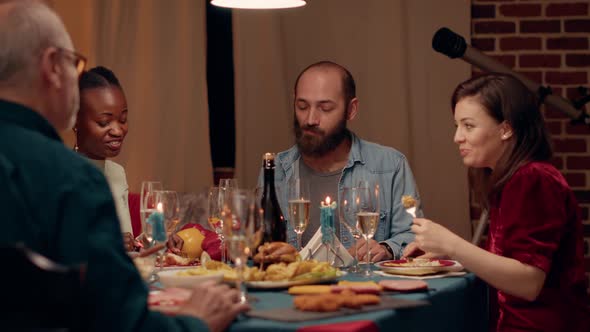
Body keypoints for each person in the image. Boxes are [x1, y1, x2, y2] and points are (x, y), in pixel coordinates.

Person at [0, 1, 248, 331]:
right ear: (52, 67)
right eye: (74, 65)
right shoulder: (71, 179)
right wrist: (195, 322)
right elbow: (125, 323)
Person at [403, 73, 589, 331]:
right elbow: (508, 261)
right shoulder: (511, 180)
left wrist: (453, 245)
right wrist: (447, 253)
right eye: (456, 126)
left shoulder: (534, 179)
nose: (457, 137)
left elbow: (529, 283)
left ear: (505, 129)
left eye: (468, 126)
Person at [263, 61, 421, 262]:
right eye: (302, 106)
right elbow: (259, 243)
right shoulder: (275, 170)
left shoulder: (390, 165)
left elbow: (414, 235)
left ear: (351, 110)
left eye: (325, 108)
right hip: (295, 290)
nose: (310, 119)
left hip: (365, 289)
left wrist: (387, 249)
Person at [75, 66, 134, 251]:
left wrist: (158, 240)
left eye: (123, 119)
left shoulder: (117, 173)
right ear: (75, 121)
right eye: (104, 122)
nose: (118, 131)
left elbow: (126, 243)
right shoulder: (59, 175)